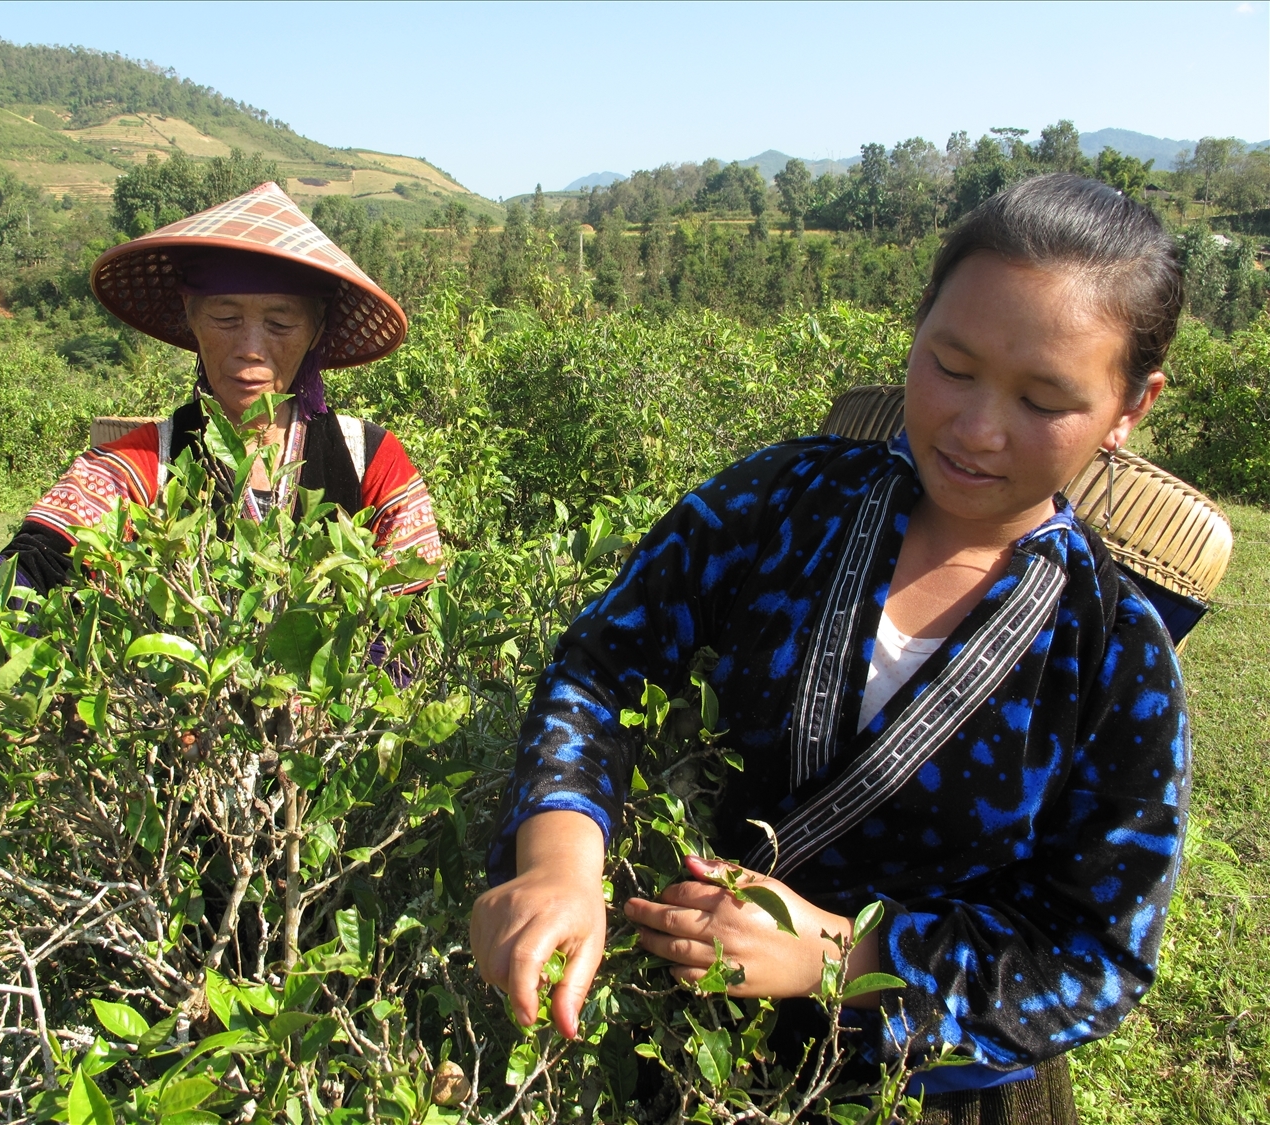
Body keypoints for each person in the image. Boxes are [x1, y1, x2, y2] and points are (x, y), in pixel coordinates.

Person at [470, 175, 1189, 1122]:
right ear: (918, 325)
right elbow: (605, 661)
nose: (977, 428)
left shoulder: (1116, 656)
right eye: (952, 365)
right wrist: (558, 861)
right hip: (675, 1042)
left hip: (915, 1090)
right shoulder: (782, 502)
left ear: (1131, 406)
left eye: (1043, 398)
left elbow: (1096, 953)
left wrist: (835, 954)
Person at [0, 182, 441, 623]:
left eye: (281, 322)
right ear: (191, 320)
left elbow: (421, 616)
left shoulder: (371, 459)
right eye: (225, 318)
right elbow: (23, 588)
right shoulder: (137, 464)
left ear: (316, 331)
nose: (250, 350)